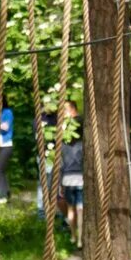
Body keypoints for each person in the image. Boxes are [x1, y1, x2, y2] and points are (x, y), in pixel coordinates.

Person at [59, 101, 85, 247]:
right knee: (80, 209)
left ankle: (73, 236)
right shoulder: (83, 145)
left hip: (67, 179)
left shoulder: (63, 146)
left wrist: (61, 184)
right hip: (80, 178)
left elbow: (61, 166)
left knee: (70, 209)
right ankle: (81, 239)